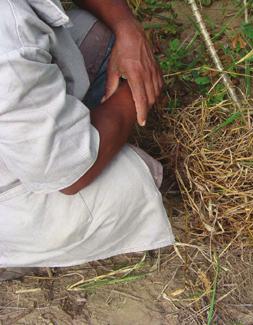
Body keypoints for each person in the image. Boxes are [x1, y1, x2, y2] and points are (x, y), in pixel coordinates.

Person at [0, 0, 175, 280]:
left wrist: (126, 27)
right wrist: (136, 90)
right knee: (139, 177)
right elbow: (70, 176)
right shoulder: (7, 51)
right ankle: (13, 254)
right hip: (17, 194)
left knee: (101, 33)